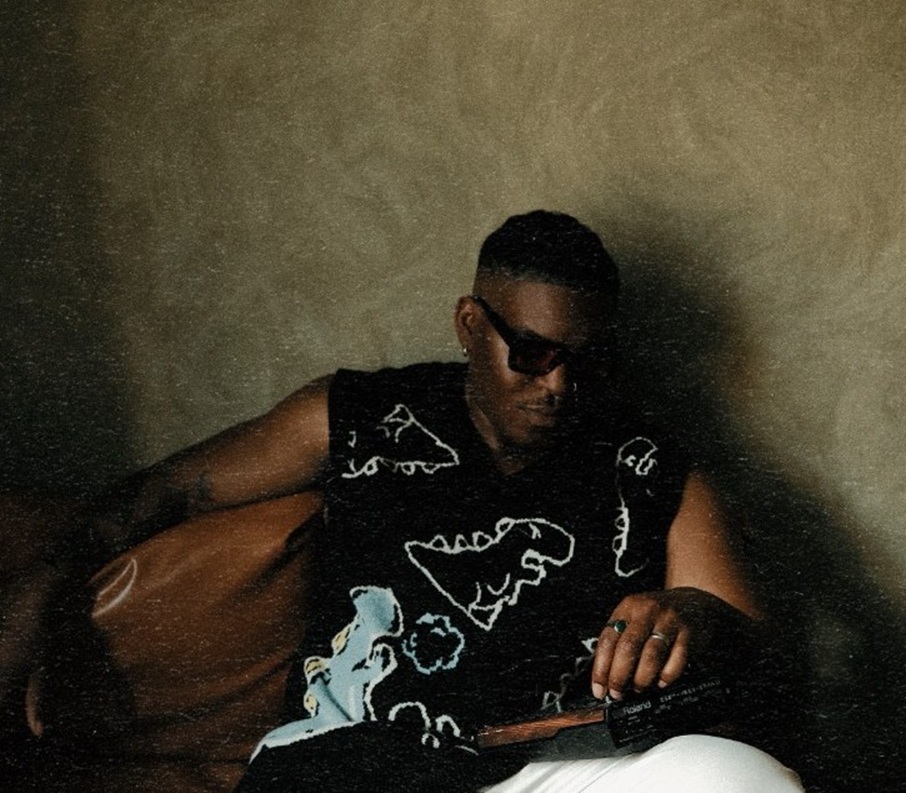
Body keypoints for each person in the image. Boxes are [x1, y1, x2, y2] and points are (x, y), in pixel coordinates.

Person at [3, 211, 803, 791]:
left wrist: (694, 614)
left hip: (544, 765)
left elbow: (755, 652)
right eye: (531, 353)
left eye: (585, 361)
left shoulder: (650, 464)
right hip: (349, 761)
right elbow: (168, 487)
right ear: (470, 324)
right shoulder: (358, 416)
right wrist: (43, 588)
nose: (559, 384)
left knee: (740, 776)